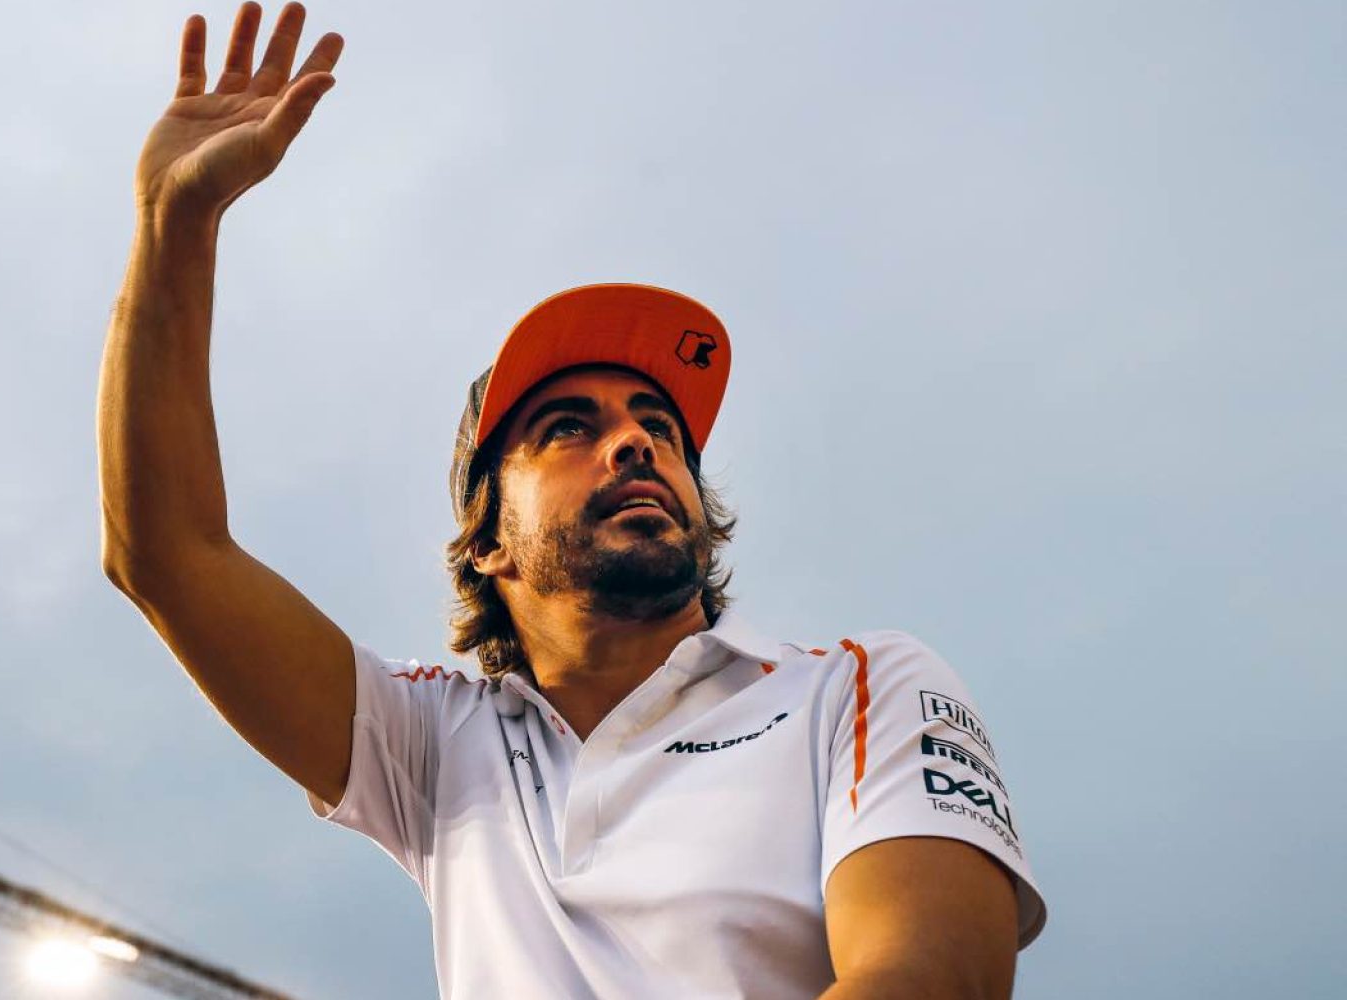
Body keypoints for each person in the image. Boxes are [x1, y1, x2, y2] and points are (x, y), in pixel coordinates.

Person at [98, 3, 1047, 996]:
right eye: (569, 428)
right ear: (486, 545)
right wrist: (174, 224)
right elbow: (167, 553)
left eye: (659, 427)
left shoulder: (855, 691)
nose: (637, 439)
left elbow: (927, 979)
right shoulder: (432, 746)